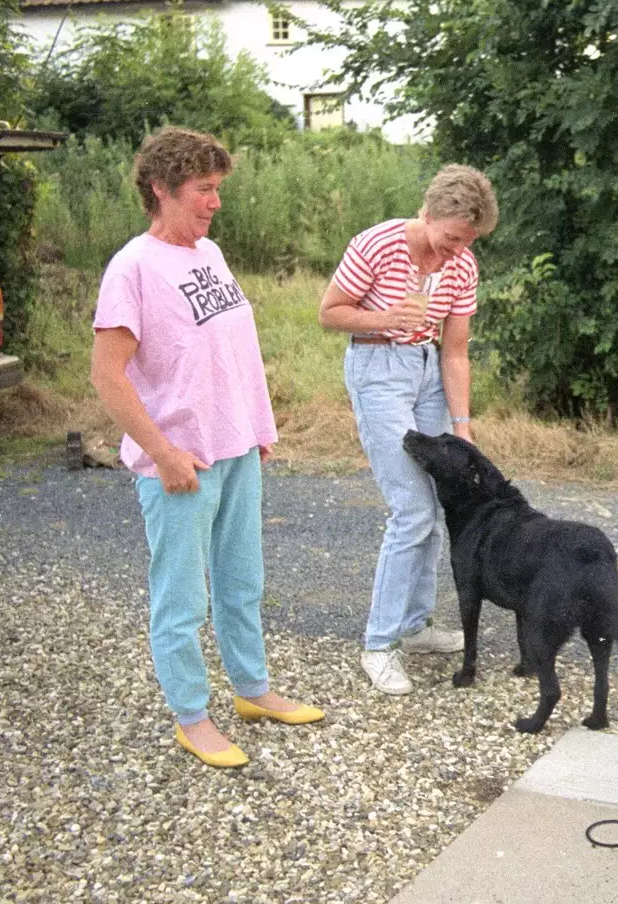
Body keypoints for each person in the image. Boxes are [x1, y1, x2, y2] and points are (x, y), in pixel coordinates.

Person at [91, 127, 323, 770]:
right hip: (180, 462)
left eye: (218, 189)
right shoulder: (132, 267)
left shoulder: (210, 255)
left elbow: (231, 352)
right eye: (203, 190)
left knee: (242, 582)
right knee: (181, 598)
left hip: (236, 448)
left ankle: (253, 691)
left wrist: (258, 427)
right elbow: (107, 375)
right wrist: (162, 452)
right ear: (161, 190)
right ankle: (192, 717)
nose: (215, 203)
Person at [318, 164, 498, 697]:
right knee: (412, 508)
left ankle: (415, 626)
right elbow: (329, 314)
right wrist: (385, 318)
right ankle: (379, 644)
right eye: (449, 239)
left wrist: (463, 427)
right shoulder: (376, 244)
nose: (453, 254)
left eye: (466, 243)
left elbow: (457, 349)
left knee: (439, 503)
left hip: (427, 371)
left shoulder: (462, 264)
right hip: (378, 369)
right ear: (428, 213)